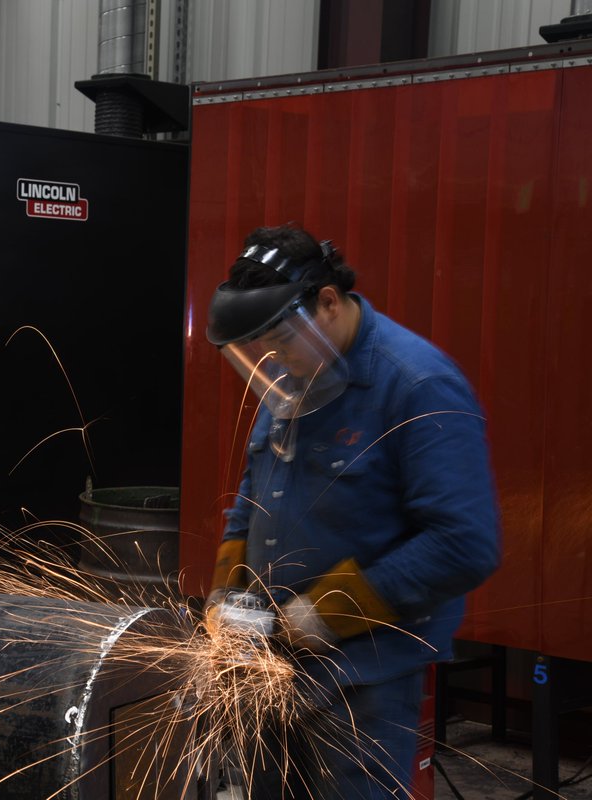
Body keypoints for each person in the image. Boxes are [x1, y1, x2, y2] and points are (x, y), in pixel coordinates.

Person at [203, 225, 501, 799]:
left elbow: (465, 544)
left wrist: (325, 612)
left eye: (282, 339)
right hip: (270, 665)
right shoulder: (296, 374)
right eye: (260, 347)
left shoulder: (418, 386)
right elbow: (254, 496)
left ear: (329, 304)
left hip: (363, 679)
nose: (273, 358)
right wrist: (225, 593)